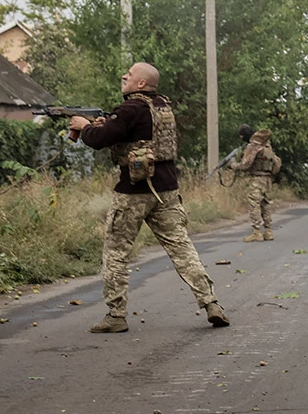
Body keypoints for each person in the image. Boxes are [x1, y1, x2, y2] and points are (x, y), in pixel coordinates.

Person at [69, 62, 230, 334]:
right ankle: (211, 303)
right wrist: (103, 124)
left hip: (134, 191)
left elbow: (99, 140)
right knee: (181, 248)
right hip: (167, 189)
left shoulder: (130, 108)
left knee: (116, 252)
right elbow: (129, 134)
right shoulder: (162, 107)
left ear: (141, 83)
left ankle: (116, 315)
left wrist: (84, 127)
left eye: (129, 75)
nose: (124, 76)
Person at [228, 124, 281, 243]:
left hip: (257, 179)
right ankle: (268, 231)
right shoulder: (266, 144)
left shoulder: (253, 146)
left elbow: (246, 165)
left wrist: (232, 165)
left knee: (254, 203)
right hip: (268, 179)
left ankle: (256, 232)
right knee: (266, 204)